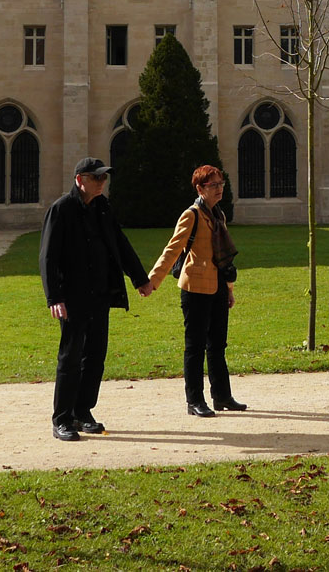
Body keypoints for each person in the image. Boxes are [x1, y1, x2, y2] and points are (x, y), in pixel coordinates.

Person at [39, 156, 152, 440]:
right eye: (96, 177)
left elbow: (120, 243)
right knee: (71, 357)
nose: (102, 182)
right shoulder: (61, 209)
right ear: (80, 180)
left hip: (100, 295)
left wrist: (140, 279)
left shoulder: (102, 207)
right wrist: (54, 296)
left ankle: (82, 411)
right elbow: (48, 257)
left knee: (95, 356)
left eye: (104, 177)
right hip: (73, 297)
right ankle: (62, 418)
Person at [146, 165, 243, 418]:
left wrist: (229, 290)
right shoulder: (192, 215)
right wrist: (152, 281)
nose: (220, 189)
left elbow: (224, 260)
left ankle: (222, 396)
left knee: (218, 345)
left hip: (218, 287)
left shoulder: (218, 214)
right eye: (213, 185)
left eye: (221, 183)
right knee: (195, 346)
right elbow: (173, 248)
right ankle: (195, 400)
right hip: (195, 288)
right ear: (200, 188)